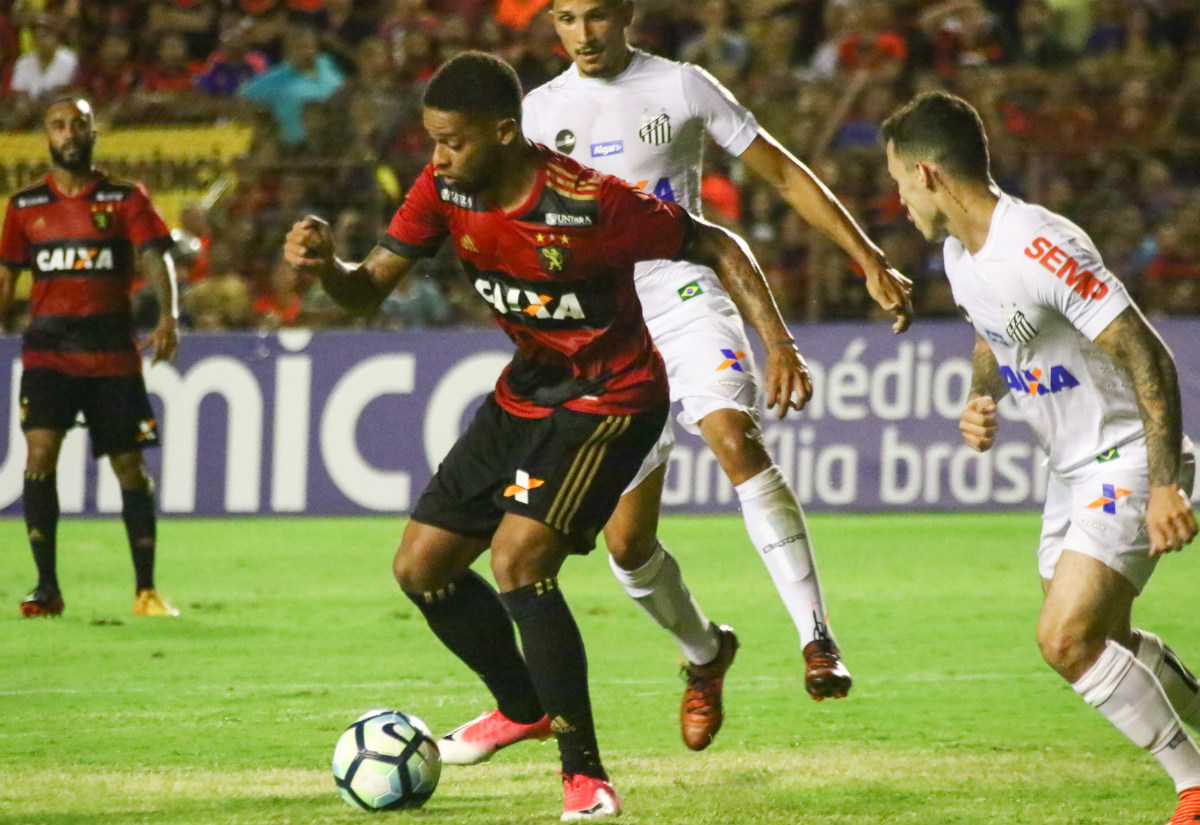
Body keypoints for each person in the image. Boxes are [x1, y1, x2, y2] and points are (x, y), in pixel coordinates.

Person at [283, 51, 811, 821]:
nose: (436, 158)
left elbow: (719, 245)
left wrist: (778, 343)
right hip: (529, 390)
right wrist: (326, 266)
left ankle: (584, 776)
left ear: (505, 133)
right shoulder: (442, 190)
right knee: (421, 567)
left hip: (613, 398)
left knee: (518, 560)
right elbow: (365, 291)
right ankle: (524, 705)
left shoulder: (591, 203)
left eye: (452, 142)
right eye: (430, 140)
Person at [520, 0, 915, 751]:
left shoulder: (683, 86)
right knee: (628, 544)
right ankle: (706, 653)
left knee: (734, 438)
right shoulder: (539, 113)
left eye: (598, 15)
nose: (585, 34)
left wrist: (865, 256)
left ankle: (817, 636)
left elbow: (784, 172)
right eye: (566, 19)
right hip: (604, 331)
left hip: (687, 291)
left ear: (625, 14)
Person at [881, 90, 1200, 825]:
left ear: (928, 174)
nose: (897, 199)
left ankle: (1192, 783)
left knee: (1066, 637)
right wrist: (979, 395)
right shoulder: (961, 255)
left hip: (1124, 457)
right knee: (1107, 641)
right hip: (1070, 472)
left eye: (899, 181)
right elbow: (995, 330)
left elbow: (1148, 354)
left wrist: (1161, 486)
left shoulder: (1040, 244)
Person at [0, 96, 181, 619]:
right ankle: (46, 588)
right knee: (39, 457)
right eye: (59, 125)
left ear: (94, 131)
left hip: (112, 355)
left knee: (129, 465)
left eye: (79, 123)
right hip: (48, 354)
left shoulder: (125, 198)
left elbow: (155, 256)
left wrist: (168, 316)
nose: (69, 133)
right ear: (46, 136)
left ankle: (145, 590)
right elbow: (6, 277)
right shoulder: (24, 207)